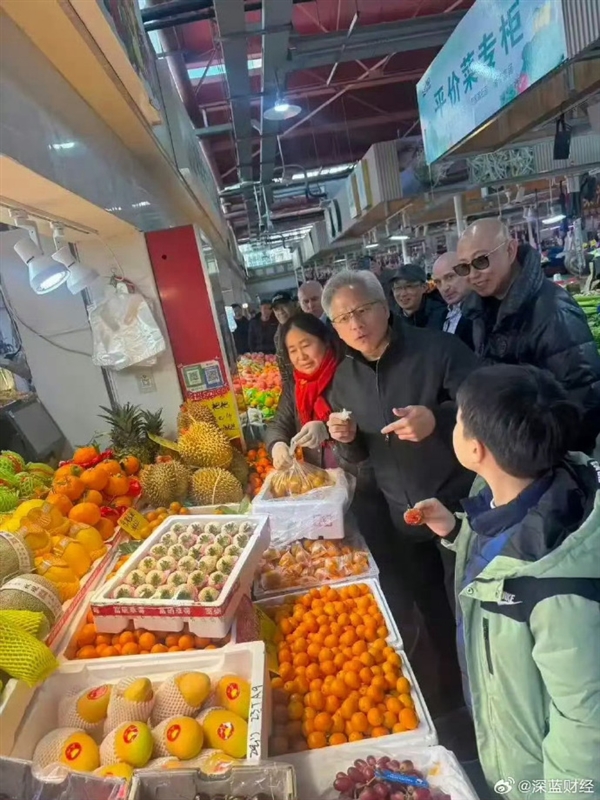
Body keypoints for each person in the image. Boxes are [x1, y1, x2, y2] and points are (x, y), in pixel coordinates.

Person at [414, 364, 600, 798]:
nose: (454, 425)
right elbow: (501, 556)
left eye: (458, 419)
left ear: (475, 448)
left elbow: (585, 722)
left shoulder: (555, 585)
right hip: (504, 732)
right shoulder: (516, 493)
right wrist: (456, 531)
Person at [321, 269, 479, 711]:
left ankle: (486, 700)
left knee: (474, 611)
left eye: (363, 310)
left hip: (460, 510)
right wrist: (346, 439)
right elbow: (359, 457)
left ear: (385, 307)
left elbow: (488, 403)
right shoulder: (344, 380)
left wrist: (438, 418)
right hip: (403, 520)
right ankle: (452, 704)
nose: (356, 324)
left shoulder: (438, 350)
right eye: (343, 318)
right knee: (431, 613)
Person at [457, 218, 600, 452]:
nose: (473, 275)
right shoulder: (480, 311)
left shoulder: (553, 312)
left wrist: (543, 454)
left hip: (545, 453)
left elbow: (584, 397)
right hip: (512, 448)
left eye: (481, 261)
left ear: (510, 250)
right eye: (463, 268)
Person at [265, 312, 339, 469]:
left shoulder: (346, 374)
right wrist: (277, 445)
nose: (301, 356)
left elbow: (362, 420)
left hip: (356, 474)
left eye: (306, 346)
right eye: (293, 350)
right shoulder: (295, 384)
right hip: (320, 475)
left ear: (325, 341)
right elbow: (279, 423)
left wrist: (326, 428)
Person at [432, 252, 473, 349]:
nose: (444, 288)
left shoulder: (483, 314)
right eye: (438, 282)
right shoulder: (439, 316)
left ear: (467, 272)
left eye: (450, 277)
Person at [391, 264, 447, 331]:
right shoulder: (391, 319)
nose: (403, 294)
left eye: (409, 286)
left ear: (424, 287)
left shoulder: (442, 316)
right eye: (398, 288)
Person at [272, 292, 299, 390]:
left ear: (293, 304)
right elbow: (282, 366)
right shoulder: (277, 335)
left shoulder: (305, 326)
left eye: (284, 306)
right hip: (294, 386)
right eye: (276, 309)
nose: (281, 311)